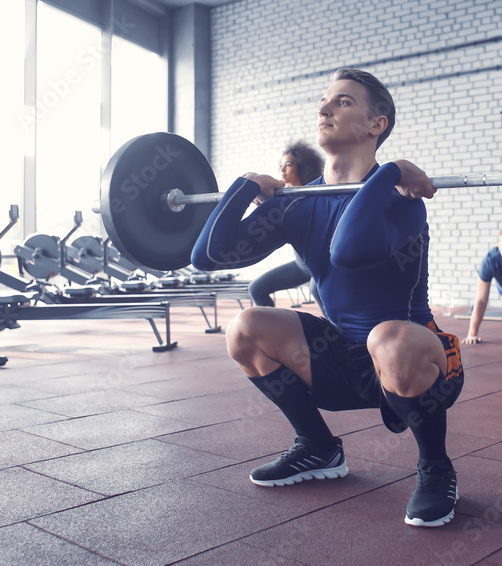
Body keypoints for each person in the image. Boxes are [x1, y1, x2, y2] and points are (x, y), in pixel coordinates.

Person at [192, 68, 464, 528]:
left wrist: (394, 170)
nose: (324, 108)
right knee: (245, 329)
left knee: (389, 338)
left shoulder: (402, 198)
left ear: (377, 125)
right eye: (324, 101)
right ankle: (317, 447)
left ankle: (436, 468)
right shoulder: (298, 203)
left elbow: (349, 251)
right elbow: (209, 256)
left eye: (342, 102)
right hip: (338, 357)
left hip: (414, 357)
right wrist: (245, 187)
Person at [248, 141, 325, 309]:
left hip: (320, 263)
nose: (282, 169)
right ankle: (272, 331)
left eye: (288, 165)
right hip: (301, 265)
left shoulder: (316, 193)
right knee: (256, 289)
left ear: (302, 167)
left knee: (316, 289)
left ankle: (339, 333)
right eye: (281, 165)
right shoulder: (280, 196)